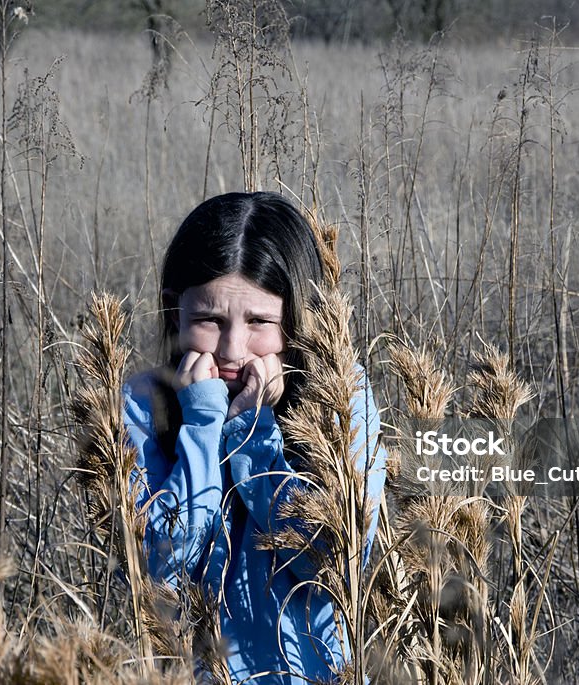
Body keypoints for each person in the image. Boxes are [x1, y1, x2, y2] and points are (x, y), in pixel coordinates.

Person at [121, 191, 388, 684]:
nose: (232, 349)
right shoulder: (142, 403)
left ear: (296, 321)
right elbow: (160, 565)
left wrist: (252, 433)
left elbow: (329, 560)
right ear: (174, 312)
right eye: (209, 319)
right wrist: (202, 428)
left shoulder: (342, 399)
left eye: (260, 322)